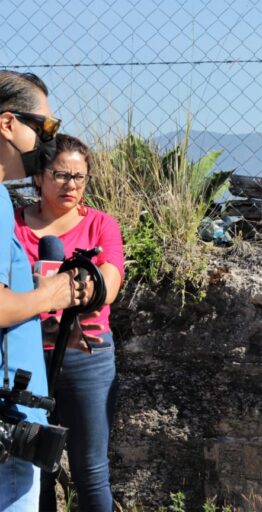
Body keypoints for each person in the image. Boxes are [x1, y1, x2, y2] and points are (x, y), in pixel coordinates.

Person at [14, 133, 124, 511]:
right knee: (31, 467)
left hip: (87, 359)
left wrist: (78, 289)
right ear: (39, 177)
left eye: (79, 177)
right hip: (25, 361)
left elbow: (110, 282)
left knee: (90, 470)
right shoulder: (11, 226)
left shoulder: (100, 224)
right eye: (61, 175)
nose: (71, 185)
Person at [0, 71, 91, 511]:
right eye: (45, 127)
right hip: (7, 415)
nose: (48, 139)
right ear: (7, 124)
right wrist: (53, 294)